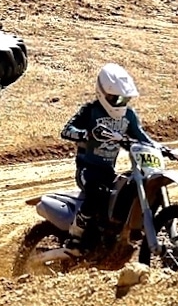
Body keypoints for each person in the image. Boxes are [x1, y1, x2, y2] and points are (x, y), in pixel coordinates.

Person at [60, 63, 157, 246]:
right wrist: (87, 134)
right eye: (116, 98)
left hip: (108, 171)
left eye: (124, 99)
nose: (120, 103)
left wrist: (166, 150)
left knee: (129, 188)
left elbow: (143, 138)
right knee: (98, 193)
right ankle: (75, 235)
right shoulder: (90, 110)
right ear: (102, 93)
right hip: (87, 170)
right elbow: (66, 131)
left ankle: (119, 233)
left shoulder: (128, 116)